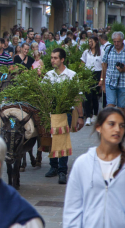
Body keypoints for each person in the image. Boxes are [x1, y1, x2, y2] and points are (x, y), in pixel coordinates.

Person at [63, 107, 125, 228]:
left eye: (122, 125)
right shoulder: (82, 164)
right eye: (111, 124)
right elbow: (72, 210)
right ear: (98, 127)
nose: (117, 129)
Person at [44, 48, 84, 184]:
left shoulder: (72, 75)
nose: (52, 60)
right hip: (51, 111)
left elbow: (77, 97)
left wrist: (80, 116)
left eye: (55, 58)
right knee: (52, 139)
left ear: (62, 59)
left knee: (62, 139)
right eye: (51, 58)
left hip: (65, 111)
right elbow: (43, 94)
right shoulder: (48, 75)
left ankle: (62, 170)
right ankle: (53, 167)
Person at [101, 31, 125, 115]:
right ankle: (109, 124)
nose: (116, 43)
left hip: (124, 83)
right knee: (110, 105)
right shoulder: (109, 49)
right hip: (110, 82)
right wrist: (103, 82)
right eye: (114, 41)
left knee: (121, 107)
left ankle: (121, 126)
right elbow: (104, 65)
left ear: (122, 40)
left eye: (118, 41)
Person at [81, 36, 102, 126]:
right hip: (88, 74)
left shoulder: (101, 52)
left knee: (95, 96)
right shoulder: (86, 52)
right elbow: (82, 64)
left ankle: (95, 114)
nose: (90, 43)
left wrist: (101, 79)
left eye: (91, 41)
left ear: (96, 42)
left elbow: (103, 67)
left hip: (97, 74)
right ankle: (88, 116)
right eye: (89, 42)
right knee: (87, 96)